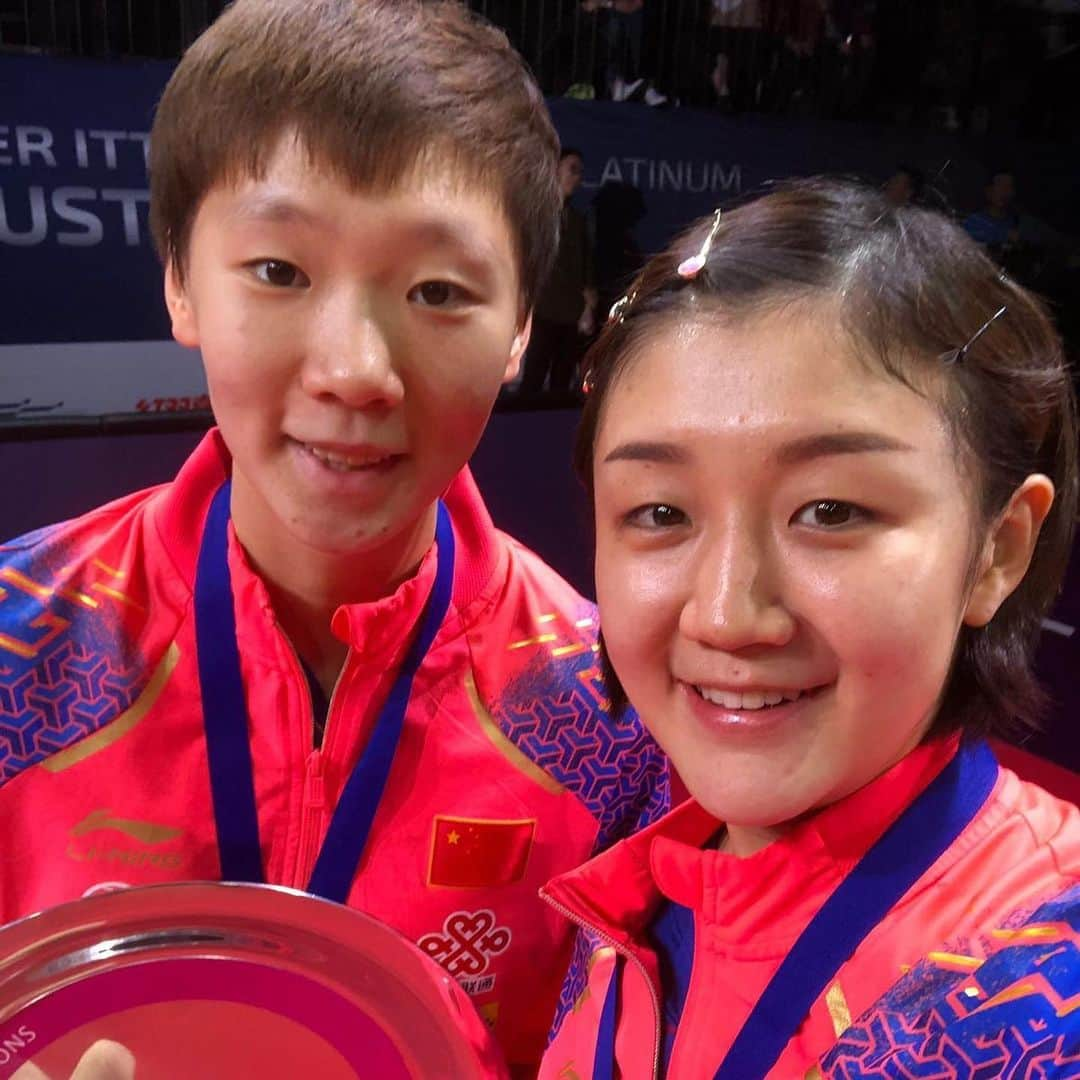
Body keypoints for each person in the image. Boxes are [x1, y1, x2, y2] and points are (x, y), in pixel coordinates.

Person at [0, 2, 670, 1073]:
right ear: (180, 281)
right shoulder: (14, 645)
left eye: (439, 291)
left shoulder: (613, 717)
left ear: (521, 331)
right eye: (280, 272)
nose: (356, 369)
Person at [539, 179, 1080, 1077]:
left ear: (996, 549)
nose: (727, 614)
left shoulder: (1047, 996)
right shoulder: (626, 880)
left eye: (829, 510)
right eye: (662, 512)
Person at [519, 148, 597, 402]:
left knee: (561, 388)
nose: (578, 177)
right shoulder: (533, 214)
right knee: (531, 384)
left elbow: (586, 270)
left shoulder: (578, 220)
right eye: (572, 169)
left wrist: (586, 310)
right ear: (554, 170)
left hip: (570, 319)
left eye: (581, 172)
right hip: (540, 314)